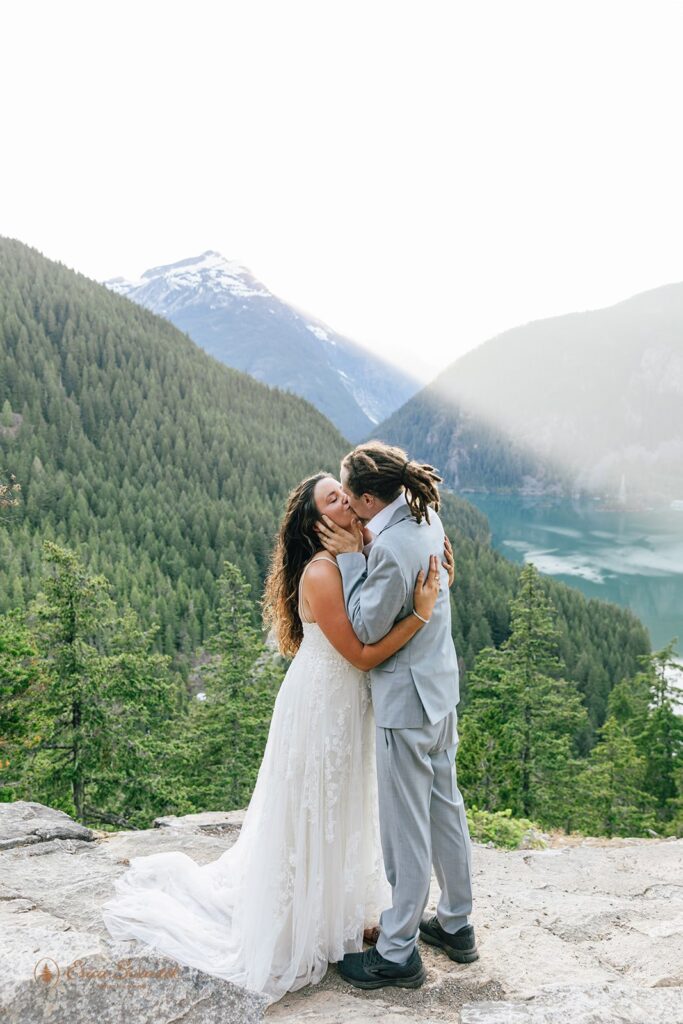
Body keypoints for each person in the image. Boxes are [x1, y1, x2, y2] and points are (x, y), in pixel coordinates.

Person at [101, 471, 454, 1005]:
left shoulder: (364, 548)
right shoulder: (320, 572)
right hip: (322, 705)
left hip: (349, 705)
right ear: (317, 524)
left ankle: (341, 911)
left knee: (346, 806)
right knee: (316, 806)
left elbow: (393, 584)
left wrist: (439, 574)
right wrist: (423, 614)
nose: (348, 500)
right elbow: (360, 653)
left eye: (346, 492)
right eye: (334, 499)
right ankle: (306, 919)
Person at [314, 441, 476, 991]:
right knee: (445, 807)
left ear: (364, 497)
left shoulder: (385, 549)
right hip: (441, 690)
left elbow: (364, 628)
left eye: (349, 497)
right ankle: (456, 923)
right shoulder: (424, 512)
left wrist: (353, 558)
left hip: (405, 703)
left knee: (405, 829)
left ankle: (398, 950)